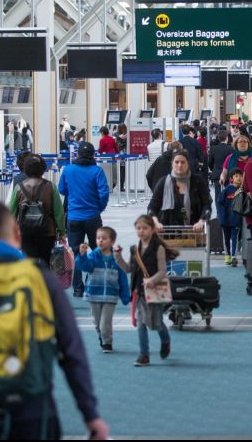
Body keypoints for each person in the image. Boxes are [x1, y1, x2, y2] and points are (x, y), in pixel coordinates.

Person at [0, 202, 110, 440]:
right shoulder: (42, 280)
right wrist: (91, 415)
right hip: (37, 416)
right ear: (17, 234)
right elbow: (72, 352)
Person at [116, 215, 179, 366]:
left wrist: (152, 280)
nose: (141, 231)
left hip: (155, 292)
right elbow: (129, 269)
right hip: (140, 292)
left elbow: (163, 271)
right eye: (138, 228)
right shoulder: (134, 249)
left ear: (152, 230)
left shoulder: (159, 248)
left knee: (156, 323)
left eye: (145, 228)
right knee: (141, 323)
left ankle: (165, 340)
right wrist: (118, 256)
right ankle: (144, 354)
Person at [59, 142, 110, 298]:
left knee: (75, 252)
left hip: (74, 217)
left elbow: (62, 189)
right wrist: (98, 208)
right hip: (93, 217)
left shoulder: (68, 170)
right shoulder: (97, 171)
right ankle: (92, 282)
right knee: (97, 250)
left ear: (77, 154)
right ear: (93, 155)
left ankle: (77, 288)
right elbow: (104, 193)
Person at [76, 226, 131, 353]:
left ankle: (107, 343)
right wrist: (82, 255)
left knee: (105, 322)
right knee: (97, 323)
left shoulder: (116, 259)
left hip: (110, 296)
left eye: (104, 238)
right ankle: (101, 336)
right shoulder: (93, 256)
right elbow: (84, 267)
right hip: (93, 295)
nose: (100, 240)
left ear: (112, 241)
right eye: (98, 238)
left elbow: (122, 279)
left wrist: (125, 296)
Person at [9, 155, 66, 266]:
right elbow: (58, 212)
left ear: (26, 168)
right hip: (47, 232)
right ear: (43, 168)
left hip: (25, 232)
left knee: (29, 264)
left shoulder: (19, 187)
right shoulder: (50, 186)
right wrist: (62, 232)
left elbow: (11, 213)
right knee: (46, 263)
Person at [148, 150, 211, 232]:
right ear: (172, 163)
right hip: (167, 232)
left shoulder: (198, 181)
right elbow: (152, 207)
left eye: (183, 162)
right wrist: (155, 222)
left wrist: (201, 221)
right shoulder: (163, 182)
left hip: (193, 231)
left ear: (188, 163)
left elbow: (206, 205)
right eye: (176, 162)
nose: (180, 165)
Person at [216, 168, 244, 266]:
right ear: (231, 178)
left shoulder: (243, 190)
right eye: (236, 176)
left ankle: (233, 257)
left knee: (234, 238)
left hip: (236, 219)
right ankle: (227, 255)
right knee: (226, 239)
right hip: (226, 219)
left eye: (240, 176)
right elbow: (219, 203)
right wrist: (221, 217)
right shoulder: (226, 190)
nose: (239, 178)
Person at [208, 131, 234, 201]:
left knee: (218, 193)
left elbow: (210, 162)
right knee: (229, 193)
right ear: (227, 138)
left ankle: (218, 207)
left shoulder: (213, 148)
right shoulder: (230, 148)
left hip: (217, 173)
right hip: (228, 174)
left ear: (219, 138)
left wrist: (213, 169)